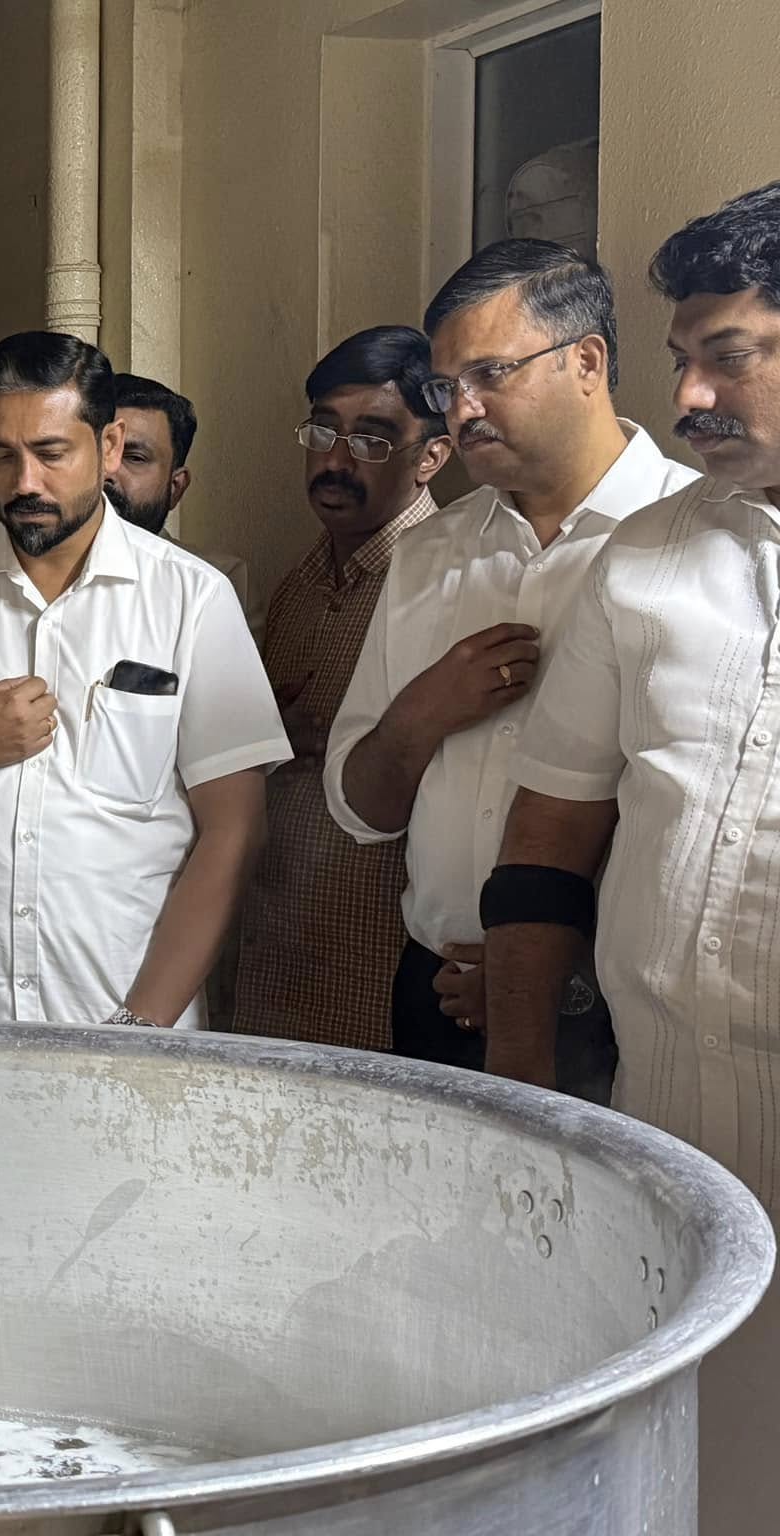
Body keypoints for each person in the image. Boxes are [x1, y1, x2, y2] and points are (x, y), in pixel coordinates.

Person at [481, 180, 780, 1533]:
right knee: (684, 1470)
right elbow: (547, 836)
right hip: (664, 1114)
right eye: (681, 357)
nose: (690, 395)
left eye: (729, 354)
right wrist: (525, 1095)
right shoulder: (647, 560)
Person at [0, 331, 288, 1027]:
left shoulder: (190, 599)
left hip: (126, 1024)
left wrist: (141, 1028)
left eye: (51, 452)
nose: (24, 482)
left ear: (108, 445)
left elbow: (235, 831)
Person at [324, 240, 699, 1095]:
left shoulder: (695, 540)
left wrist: (548, 973)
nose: (462, 412)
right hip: (435, 993)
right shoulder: (430, 553)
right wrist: (422, 715)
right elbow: (360, 814)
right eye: (444, 389)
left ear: (587, 362)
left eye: (490, 374)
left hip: (619, 1017)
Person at [230, 326, 451, 1050]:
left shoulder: (448, 586)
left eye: (372, 440)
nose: (335, 460)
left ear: (432, 457)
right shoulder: (298, 585)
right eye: (323, 430)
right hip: (278, 956)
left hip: (385, 977)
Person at [107, 372, 258, 636]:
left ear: (175, 487)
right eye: (98, 452)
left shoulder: (214, 582)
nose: (107, 471)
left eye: (135, 457)